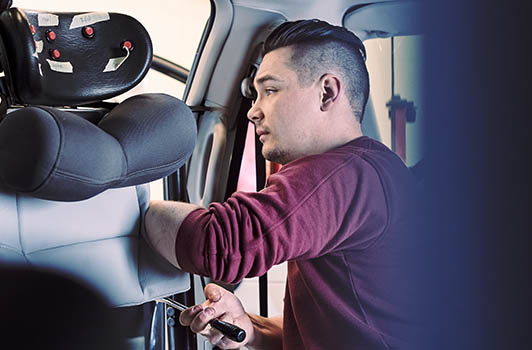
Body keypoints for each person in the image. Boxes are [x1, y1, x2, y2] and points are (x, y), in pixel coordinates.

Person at [145, 19, 417, 349]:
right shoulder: (371, 172)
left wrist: (138, 207)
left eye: (270, 90)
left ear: (326, 92)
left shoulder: (343, 173)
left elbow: (218, 247)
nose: (253, 112)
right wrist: (250, 328)